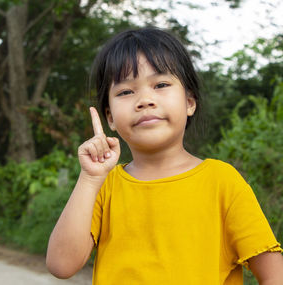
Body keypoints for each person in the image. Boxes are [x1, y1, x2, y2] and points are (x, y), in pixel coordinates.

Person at [46, 27, 283, 284]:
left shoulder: (222, 181)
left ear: (190, 102)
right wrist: (90, 179)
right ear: (110, 117)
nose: (145, 99)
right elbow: (61, 265)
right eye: (126, 92)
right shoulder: (105, 185)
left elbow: (274, 275)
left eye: (161, 85)